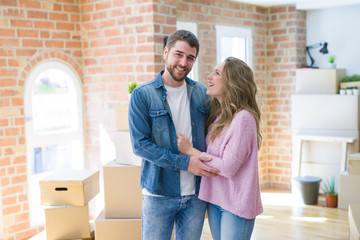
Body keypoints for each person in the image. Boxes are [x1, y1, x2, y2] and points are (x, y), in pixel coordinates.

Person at [128, 30, 219, 240]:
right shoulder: (142, 95)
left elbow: (213, 137)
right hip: (159, 193)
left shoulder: (201, 93)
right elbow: (140, 145)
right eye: (178, 54)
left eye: (190, 58)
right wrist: (185, 163)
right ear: (166, 52)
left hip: (195, 194)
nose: (183, 62)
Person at [177, 57, 263, 240]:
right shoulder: (219, 115)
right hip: (217, 199)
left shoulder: (243, 118)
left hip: (237, 203)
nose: (209, 77)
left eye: (217, 73)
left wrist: (189, 150)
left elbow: (228, 167)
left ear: (233, 82)